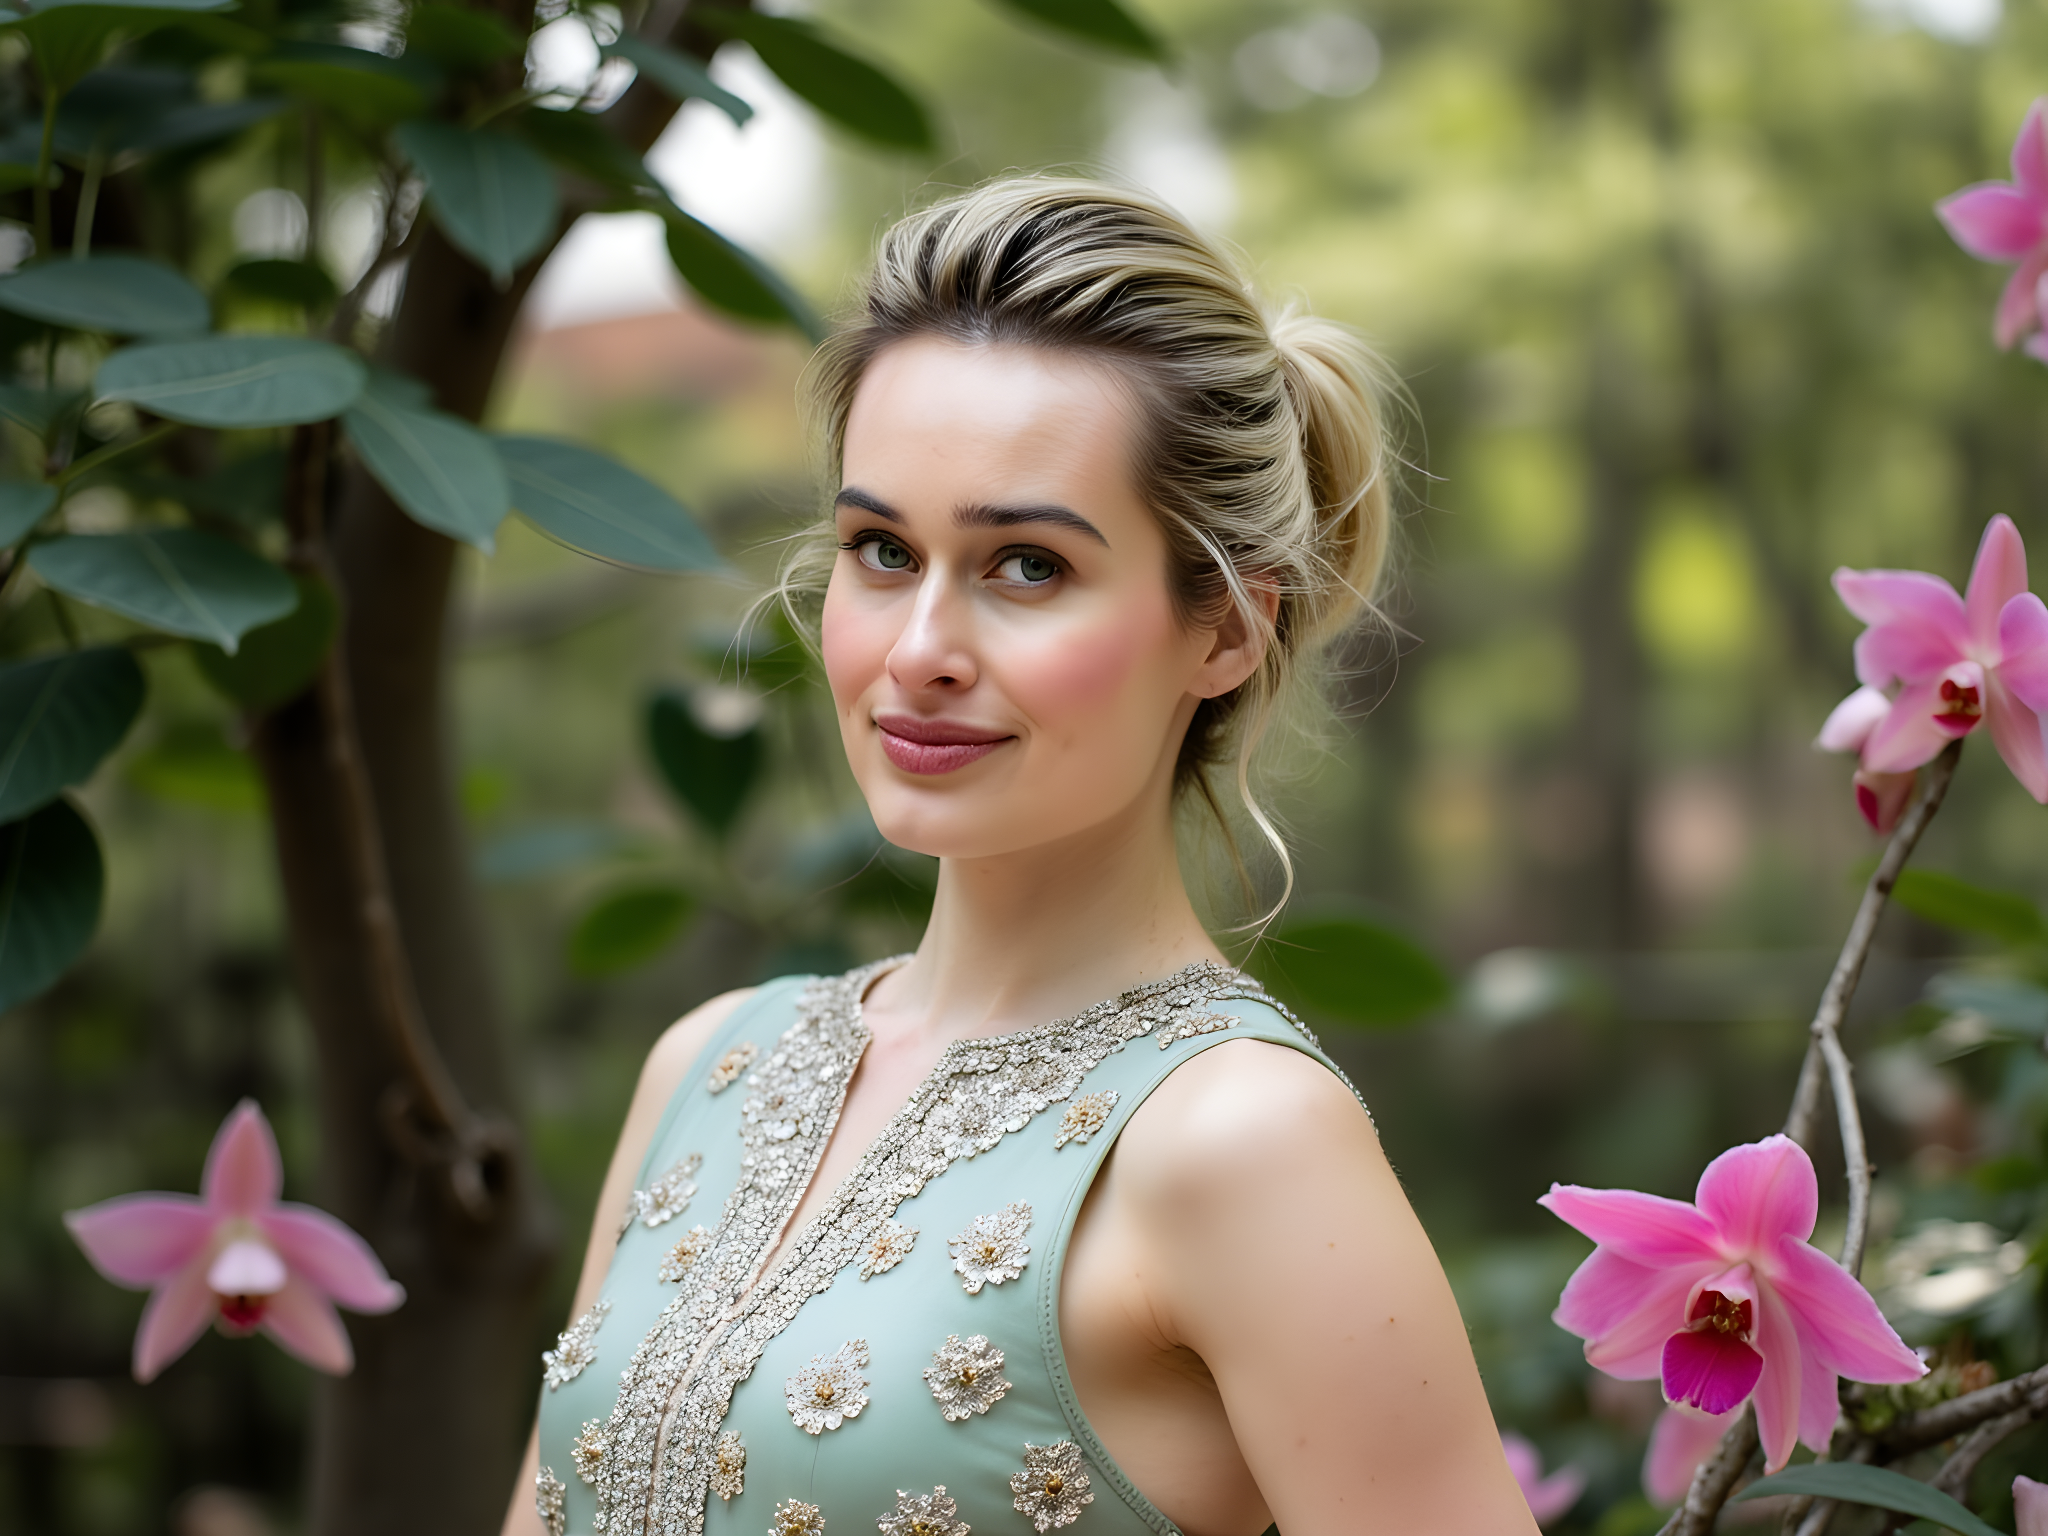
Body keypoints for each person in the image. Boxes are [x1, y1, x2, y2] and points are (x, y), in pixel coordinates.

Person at [504, 178, 1537, 1536]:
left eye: (1027, 566)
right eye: (882, 550)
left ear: (1226, 628)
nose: (919, 648)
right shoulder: (706, 1068)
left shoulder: (1242, 1140)